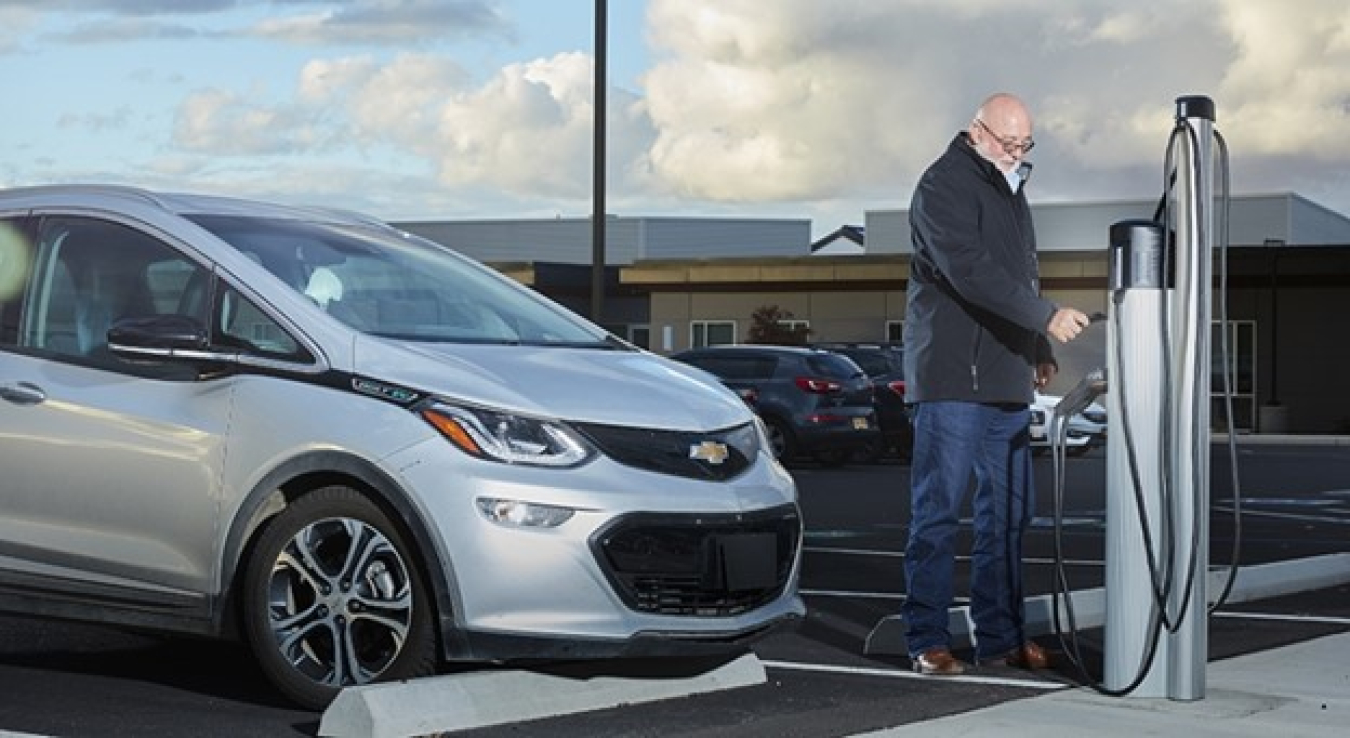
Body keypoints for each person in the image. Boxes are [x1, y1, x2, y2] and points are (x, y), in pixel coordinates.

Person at [900, 92, 1090, 676]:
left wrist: (1035, 349)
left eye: (1025, 145)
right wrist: (1045, 317)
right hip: (954, 379)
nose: (1017, 154)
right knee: (937, 514)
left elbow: (1019, 273)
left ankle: (1001, 638)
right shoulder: (943, 186)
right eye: (1008, 144)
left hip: (1005, 379)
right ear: (977, 131)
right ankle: (926, 637)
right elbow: (971, 273)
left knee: (1008, 517)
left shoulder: (1010, 186)